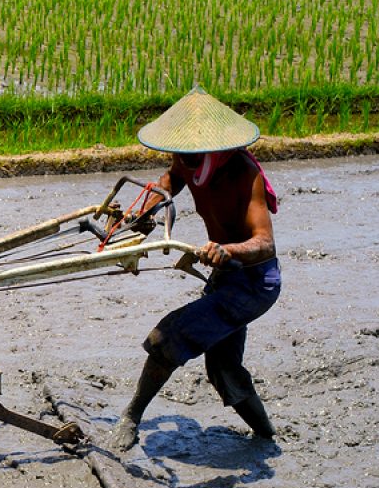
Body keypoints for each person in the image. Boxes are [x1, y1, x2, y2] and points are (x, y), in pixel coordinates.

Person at [110, 85, 281, 452]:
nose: (179, 158)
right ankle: (267, 437)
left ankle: (131, 417)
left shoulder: (242, 173)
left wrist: (226, 249)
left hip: (253, 282)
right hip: (225, 277)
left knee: (167, 337)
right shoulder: (188, 160)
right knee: (223, 367)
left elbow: (264, 243)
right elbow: (169, 182)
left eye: (186, 152)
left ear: (214, 147)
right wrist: (145, 209)